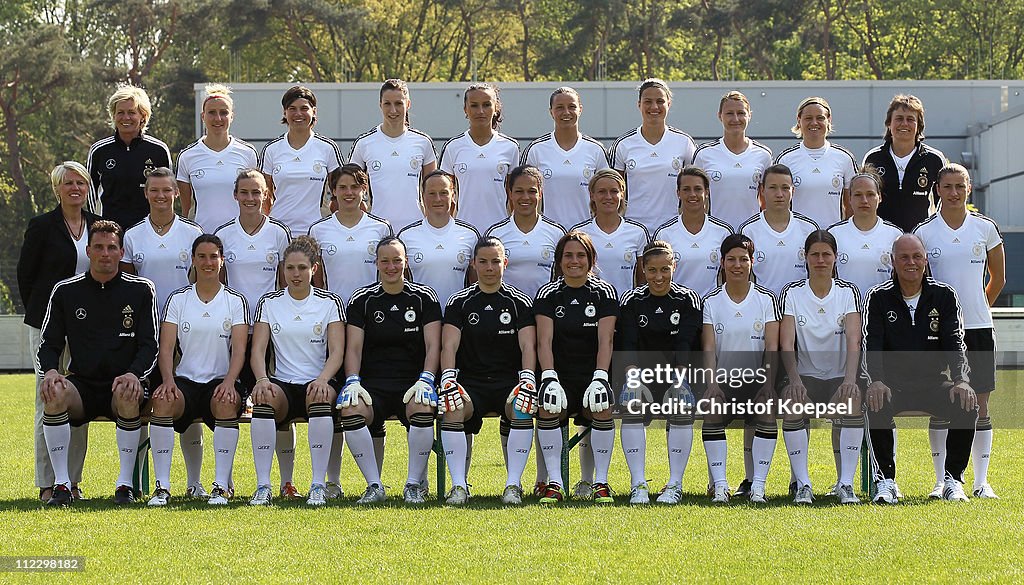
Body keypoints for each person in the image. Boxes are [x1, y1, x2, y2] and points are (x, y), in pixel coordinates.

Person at [37, 220, 158, 506]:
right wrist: (51, 371)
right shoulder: (66, 291)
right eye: (100, 247)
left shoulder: (141, 290)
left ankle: (125, 485)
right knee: (53, 392)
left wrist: (134, 374)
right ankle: (63, 486)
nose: (106, 253)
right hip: (83, 385)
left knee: (128, 393)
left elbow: (149, 345)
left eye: (112, 248)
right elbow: (49, 343)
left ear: (121, 251)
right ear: (88, 250)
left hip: (122, 384)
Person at [863, 234, 978, 503]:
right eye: (904, 257)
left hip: (933, 383)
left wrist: (961, 379)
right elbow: (873, 343)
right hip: (894, 385)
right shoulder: (878, 297)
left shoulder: (944, 295)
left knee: (967, 402)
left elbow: (955, 341)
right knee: (875, 400)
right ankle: (886, 482)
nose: (911, 262)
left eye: (916, 256)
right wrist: (876, 381)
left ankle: (952, 480)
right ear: (893, 261)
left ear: (926, 260)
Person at [912, 164, 1004, 499]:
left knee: (980, 405)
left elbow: (998, 279)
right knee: (942, 403)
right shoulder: (924, 232)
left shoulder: (985, 228)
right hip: (937, 332)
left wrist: (977, 308)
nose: (953, 193)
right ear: (937, 188)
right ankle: (942, 480)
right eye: (947, 186)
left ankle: (980, 482)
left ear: (969, 188)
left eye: (959, 186)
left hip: (978, 328)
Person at [214, 170, 306, 499]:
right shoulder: (224, 234)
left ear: (267, 195)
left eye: (257, 192)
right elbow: (219, 281)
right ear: (235, 196)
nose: (251, 198)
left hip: (271, 332)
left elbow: (287, 283)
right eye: (245, 192)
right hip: (236, 334)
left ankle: (285, 482)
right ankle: (223, 481)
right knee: (230, 404)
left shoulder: (279, 233)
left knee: (276, 405)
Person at [337, 237, 442, 505]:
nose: (391, 266)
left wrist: (427, 379)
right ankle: (374, 485)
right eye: (385, 260)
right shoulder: (362, 300)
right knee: (350, 410)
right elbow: (354, 349)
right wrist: (352, 381)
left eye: (397, 260)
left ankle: (413, 484)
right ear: (377, 263)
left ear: (406, 262)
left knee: (422, 406)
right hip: (372, 387)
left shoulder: (424, 298)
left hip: (413, 383)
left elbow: (433, 346)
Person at [120, 167, 206, 494]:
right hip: (146, 335)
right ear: (146, 193)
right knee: (149, 406)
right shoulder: (133, 236)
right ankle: (144, 482)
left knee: (187, 404)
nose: (160, 196)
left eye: (166, 191)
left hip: (186, 332)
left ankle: (195, 482)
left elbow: (201, 283)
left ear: (176, 194)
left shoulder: (192, 232)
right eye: (154, 191)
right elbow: (127, 288)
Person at [147, 235, 249, 506]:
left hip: (221, 381)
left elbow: (239, 350)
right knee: (162, 400)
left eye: (213, 256)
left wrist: (230, 382)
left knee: (226, 402)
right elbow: (166, 348)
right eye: (201, 257)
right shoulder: (179, 300)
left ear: (222, 260)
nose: (207, 262)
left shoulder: (235, 300)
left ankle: (220, 486)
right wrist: (168, 380)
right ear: (192, 260)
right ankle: (162, 487)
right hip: (186, 381)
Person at [18, 161, 97, 502]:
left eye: (81, 182)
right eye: (68, 183)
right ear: (57, 188)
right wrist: (46, 313)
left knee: (76, 403)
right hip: (47, 326)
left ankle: (71, 482)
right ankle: (48, 484)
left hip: (88, 330)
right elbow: (26, 276)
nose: (75, 188)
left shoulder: (99, 226)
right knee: (48, 398)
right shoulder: (42, 226)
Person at [439, 236, 537, 505]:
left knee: (522, 405)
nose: (490, 267)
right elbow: (448, 346)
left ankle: (513, 485)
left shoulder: (520, 302)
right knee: (451, 407)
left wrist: (528, 379)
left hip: (509, 382)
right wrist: (448, 378)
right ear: (473, 264)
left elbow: (529, 346)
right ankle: (459, 486)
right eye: (483, 262)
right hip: (471, 383)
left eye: (495, 261)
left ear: (505, 263)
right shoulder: (459, 302)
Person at [248, 236, 346, 506]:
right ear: (282, 269)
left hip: (317, 382)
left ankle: (317, 484)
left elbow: (337, 351)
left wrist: (324, 379)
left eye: (302, 268)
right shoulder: (269, 303)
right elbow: (257, 351)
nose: (296, 274)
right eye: (290, 268)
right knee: (264, 397)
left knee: (320, 395)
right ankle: (263, 486)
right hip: (282, 385)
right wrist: (262, 380)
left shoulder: (329, 302)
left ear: (314, 268)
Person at [533, 231, 619, 504]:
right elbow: (543, 341)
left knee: (602, 406)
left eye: (581, 255)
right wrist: (548, 378)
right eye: (568, 255)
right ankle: (554, 483)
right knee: (548, 407)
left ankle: (600, 482)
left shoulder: (604, 291)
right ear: (559, 261)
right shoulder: (548, 293)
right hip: (558, 375)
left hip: (592, 374)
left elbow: (605, 340)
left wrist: (601, 378)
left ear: (591, 260)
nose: (575, 261)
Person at [779, 230, 863, 505]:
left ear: (835, 258)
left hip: (840, 376)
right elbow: (786, 342)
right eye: (814, 254)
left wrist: (850, 380)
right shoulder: (792, 294)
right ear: (805, 257)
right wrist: (794, 380)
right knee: (792, 403)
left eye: (826, 254)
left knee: (852, 400)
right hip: (806, 377)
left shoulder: (847, 292)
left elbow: (854, 339)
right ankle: (803, 484)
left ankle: (846, 484)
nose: (820, 260)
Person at [616, 241, 702, 504]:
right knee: (630, 402)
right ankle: (638, 484)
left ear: (674, 266)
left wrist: (678, 381)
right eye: (652, 270)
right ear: (643, 269)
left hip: (677, 374)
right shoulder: (632, 299)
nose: (659, 277)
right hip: (640, 376)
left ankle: (675, 483)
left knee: (681, 403)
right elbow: (628, 343)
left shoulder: (687, 299)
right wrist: (633, 378)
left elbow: (685, 344)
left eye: (665, 269)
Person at [700, 233, 780, 504]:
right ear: (722, 263)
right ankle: (720, 486)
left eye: (743, 259)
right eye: (731, 259)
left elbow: (772, 347)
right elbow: (709, 349)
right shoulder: (710, 302)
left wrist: (768, 385)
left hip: (756, 381)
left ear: (752, 262)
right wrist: (712, 385)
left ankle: (758, 486)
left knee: (768, 409)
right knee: (711, 408)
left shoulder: (766, 299)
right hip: (722, 382)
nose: (737, 265)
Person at [349, 79, 437, 230]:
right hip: (377, 229)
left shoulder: (423, 142)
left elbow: (433, 189)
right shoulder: (364, 143)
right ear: (380, 105)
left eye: (398, 103)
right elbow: (350, 186)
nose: (393, 110)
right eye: (387, 104)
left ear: (408, 104)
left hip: (415, 229)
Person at [610, 78, 696, 231]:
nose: (654, 107)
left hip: (673, 228)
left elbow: (696, 187)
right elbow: (612, 190)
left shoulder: (684, 142)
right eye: (648, 101)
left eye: (660, 101)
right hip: (633, 229)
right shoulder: (623, 144)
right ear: (639, 105)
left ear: (668, 104)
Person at [260, 85, 345, 235]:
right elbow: (264, 197)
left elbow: (340, 194)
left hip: (316, 232)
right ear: (284, 113)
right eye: (292, 108)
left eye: (304, 108)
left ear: (314, 111)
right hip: (278, 232)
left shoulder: (327, 148)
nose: (298, 113)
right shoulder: (271, 149)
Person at [176, 83, 260, 232]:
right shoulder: (187, 156)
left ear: (232, 116)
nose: (218, 118)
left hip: (240, 236)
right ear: (203, 116)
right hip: (202, 239)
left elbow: (258, 199)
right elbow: (186, 210)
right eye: (212, 112)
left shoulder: (248, 153)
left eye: (224, 112)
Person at [87, 84, 172, 230]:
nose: (126, 117)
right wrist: (96, 227)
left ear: (143, 116)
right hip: (111, 234)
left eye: (132, 112)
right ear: (113, 115)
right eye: (120, 112)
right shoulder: (99, 150)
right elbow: (89, 193)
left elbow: (168, 192)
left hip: (148, 231)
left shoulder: (158, 150)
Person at [521, 87, 608, 228]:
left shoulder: (596, 150)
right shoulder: (536, 150)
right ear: (551, 112)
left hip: (586, 234)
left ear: (580, 109)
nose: (566, 112)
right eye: (560, 107)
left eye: (571, 107)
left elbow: (608, 192)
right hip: (547, 233)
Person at [309, 164, 394, 308]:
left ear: (364, 190)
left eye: (354, 187)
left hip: (372, 310)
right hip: (333, 312)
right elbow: (316, 279)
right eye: (342, 187)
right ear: (334, 191)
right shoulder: (318, 229)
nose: (349, 192)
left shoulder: (381, 228)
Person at [438, 83, 520, 231]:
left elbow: (515, 195)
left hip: (501, 232)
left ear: (495, 108)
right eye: (474, 105)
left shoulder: (510, 147)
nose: (480, 111)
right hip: (462, 232)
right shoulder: (453, 147)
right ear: (465, 109)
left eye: (486, 105)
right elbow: (444, 197)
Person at [863, 94, 947, 233]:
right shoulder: (873, 158)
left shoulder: (934, 159)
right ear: (889, 124)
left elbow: (943, 202)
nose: (904, 124)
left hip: (919, 239)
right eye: (899, 119)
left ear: (919, 125)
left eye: (910, 119)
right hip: (881, 238)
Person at [397, 170, 480, 310]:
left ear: (453, 195)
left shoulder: (470, 235)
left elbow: (476, 282)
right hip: (419, 318)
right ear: (422, 197)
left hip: (458, 318)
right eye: (432, 193)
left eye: (443, 193)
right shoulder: (406, 236)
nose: (438, 199)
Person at [692, 91, 774, 230]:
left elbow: (767, 200)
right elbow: (694, 199)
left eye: (741, 113)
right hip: (715, 234)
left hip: (752, 234)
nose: (735, 118)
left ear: (749, 115)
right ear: (720, 116)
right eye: (729, 113)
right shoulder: (704, 154)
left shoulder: (763, 155)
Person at [570, 168, 650, 304]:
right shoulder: (579, 232)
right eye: (602, 191)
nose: (608, 197)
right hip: (589, 309)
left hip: (626, 310)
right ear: (592, 195)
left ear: (622, 194)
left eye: (614, 191)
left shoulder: (638, 232)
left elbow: (642, 282)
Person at [484, 165, 566, 297]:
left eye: (532, 191)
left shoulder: (557, 233)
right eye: (519, 191)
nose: (526, 197)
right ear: (510, 193)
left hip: (545, 312)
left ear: (540, 193)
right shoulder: (495, 234)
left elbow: (563, 278)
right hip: (507, 312)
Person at [775, 97, 857, 229]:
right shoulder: (786, 159)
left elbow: (851, 206)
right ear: (799, 120)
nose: (814, 123)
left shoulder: (845, 158)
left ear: (828, 120)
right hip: (797, 237)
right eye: (808, 118)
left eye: (820, 118)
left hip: (832, 239)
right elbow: (775, 205)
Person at [739, 164, 819, 296]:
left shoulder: (809, 228)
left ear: (793, 191)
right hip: (763, 309)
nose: (779, 194)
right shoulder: (748, 230)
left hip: (799, 308)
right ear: (762, 190)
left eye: (785, 188)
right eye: (773, 188)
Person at [654, 166, 735, 297]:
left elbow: (729, 278)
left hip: (712, 309)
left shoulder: (723, 232)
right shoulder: (664, 233)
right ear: (678, 193)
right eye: (686, 189)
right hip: (678, 309)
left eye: (698, 189)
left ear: (707, 192)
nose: (692, 194)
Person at [827, 168, 904, 304]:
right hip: (844, 311)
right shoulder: (834, 234)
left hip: (883, 312)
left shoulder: (895, 235)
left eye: (870, 194)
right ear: (849, 198)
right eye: (858, 195)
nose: (864, 200)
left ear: (879, 197)